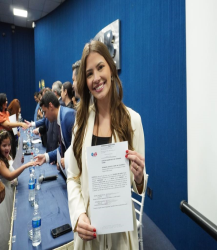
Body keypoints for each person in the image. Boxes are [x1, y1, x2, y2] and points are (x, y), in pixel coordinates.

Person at [67, 40, 146, 249]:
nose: (96, 78)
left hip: (121, 233)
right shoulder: (80, 123)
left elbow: (138, 186)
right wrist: (78, 215)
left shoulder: (133, 121)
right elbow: (73, 177)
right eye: (89, 73)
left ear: (111, 68)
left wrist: (139, 178)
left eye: (100, 67)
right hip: (89, 232)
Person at [0, 129, 34, 250]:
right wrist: (25, 166)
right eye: (4, 145)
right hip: (4, 199)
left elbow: (12, 168)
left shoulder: (7, 156)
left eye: (9, 145)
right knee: (5, 229)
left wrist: (19, 162)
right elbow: (9, 176)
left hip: (10, 191)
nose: (7, 148)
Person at [34, 92, 75, 169]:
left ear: (51, 106)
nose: (45, 116)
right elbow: (63, 147)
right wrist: (46, 157)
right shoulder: (61, 117)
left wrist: (67, 160)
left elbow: (78, 147)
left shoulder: (68, 116)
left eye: (45, 112)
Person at [0, 93, 29, 158]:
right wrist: (20, 124)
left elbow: (12, 125)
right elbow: (8, 125)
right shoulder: (0, 114)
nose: (7, 102)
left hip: (10, 140)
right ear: (1, 102)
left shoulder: (7, 112)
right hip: (2, 142)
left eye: (7, 100)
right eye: (5, 101)